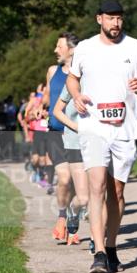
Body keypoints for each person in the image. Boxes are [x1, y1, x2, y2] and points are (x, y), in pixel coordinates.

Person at [66, 0, 137, 273]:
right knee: (96, 187)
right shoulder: (85, 48)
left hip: (124, 129)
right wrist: (77, 95)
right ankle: (99, 253)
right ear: (99, 19)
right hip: (93, 126)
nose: (115, 23)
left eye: (119, 18)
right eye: (110, 18)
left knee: (117, 192)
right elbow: (72, 78)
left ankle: (112, 245)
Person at [44, 33, 80, 242]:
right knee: (64, 178)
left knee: (76, 181)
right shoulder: (52, 71)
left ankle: (73, 221)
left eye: (59, 46)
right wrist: (41, 108)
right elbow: (50, 97)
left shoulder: (82, 73)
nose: (56, 50)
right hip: (56, 131)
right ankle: (61, 217)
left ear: (71, 49)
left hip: (76, 133)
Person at [52, 82, 90, 246]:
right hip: (75, 143)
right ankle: (72, 213)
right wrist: (76, 127)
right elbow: (56, 111)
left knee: (101, 195)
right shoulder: (71, 82)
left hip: (101, 142)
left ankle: (100, 244)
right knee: (83, 199)